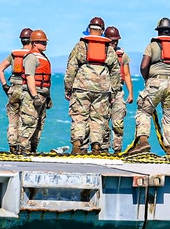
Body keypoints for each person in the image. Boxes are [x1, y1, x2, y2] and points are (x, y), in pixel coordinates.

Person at [127, 18, 170, 155]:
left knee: (144, 111)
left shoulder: (152, 46)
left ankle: (144, 141)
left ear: (158, 32)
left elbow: (144, 66)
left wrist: (148, 79)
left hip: (155, 83)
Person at [64, 17, 121, 154]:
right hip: (102, 88)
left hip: (81, 86)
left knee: (79, 117)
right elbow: (115, 71)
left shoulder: (81, 45)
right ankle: (96, 146)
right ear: (102, 30)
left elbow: (71, 68)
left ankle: (77, 145)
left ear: (89, 29)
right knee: (98, 118)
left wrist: (68, 88)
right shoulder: (108, 48)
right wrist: (113, 92)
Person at [0, 28, 33, 153]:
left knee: (13, 119)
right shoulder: (33, 55)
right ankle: (24, 147)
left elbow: (0, 69)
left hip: (13, 88)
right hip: (27, 89)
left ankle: (12, 146)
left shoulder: (13, 55)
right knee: (26, 119)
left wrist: (5, 85)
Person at [18, 29, 52, 154]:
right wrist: (35, 96)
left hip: (43, 94)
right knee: (29, 121)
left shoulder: (43, 57)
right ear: (34, 43)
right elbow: (30, 77)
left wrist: (48, 97)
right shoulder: (31, 57)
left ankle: (32, 149)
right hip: (33, 95)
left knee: (39, 124)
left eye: (45, 42)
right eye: (42, 42)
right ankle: (24, 148)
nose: (45, 44)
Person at [104, 25, 134, 153]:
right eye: (112, 40)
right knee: (102, 121)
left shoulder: (123, 55)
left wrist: (130, 93)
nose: (114, 43)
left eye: (116, 40)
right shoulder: (101, 53)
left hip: (118, 92)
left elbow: (126, 74)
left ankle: (117, 149)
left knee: (118, 122)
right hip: (104, 91)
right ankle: (102, 149)